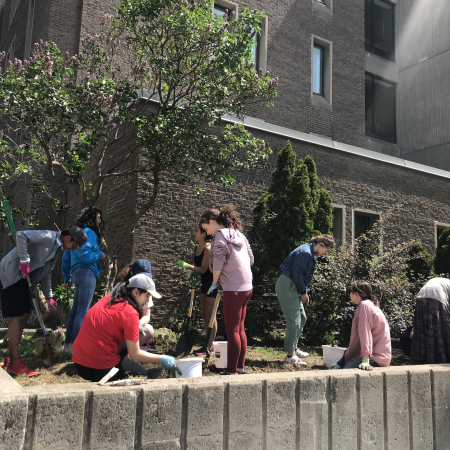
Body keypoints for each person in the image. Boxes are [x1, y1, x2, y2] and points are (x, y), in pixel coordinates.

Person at [0, 226, 87, 377]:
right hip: (12, 274)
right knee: (18, 316)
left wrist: (49, 296)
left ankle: (12, 359)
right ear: (68, 238)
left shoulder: (57, 249)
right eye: (74, 245)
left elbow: (46, 272)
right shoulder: (49, 237)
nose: (73, 249)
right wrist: (24, 261)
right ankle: (14, 363)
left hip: (22, 279)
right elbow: (21, 235)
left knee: (25, 315)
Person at [72, 274, 178, 381]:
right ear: (135, 292)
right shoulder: (130, 312)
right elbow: (135, 354)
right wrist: (162, 359)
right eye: (147, 296)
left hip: (79, 362)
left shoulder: (108, 299)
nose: (148, 301)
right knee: (143, 374)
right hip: (97, 367)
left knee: (129, 347)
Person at [200, 204, 253, 376]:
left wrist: (215, 282)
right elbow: (251, 259)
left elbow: (219, 263)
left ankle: (231, 372)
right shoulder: (240, 235)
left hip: (233, 289)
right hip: (247, 287)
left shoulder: (219, 237)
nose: (207, 233)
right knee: (240, 329)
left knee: (232, 330)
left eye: (206, 228)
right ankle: (240, 368)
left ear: (212, 222)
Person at [276, 235, 335, 365]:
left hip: (294, 286)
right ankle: (290, 356)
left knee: (302, 318)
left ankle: (294, 348)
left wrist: (304, 292)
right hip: (288, 285)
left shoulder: (310, 252)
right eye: (327, 250)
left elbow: (301, 275)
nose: (326, 254)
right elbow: (297, 274)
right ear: (320, 245)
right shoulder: (305, 253)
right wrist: (303, 292)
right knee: (295, 322)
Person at [62, 207, 107, 355]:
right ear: (91, 219)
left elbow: (66, 257)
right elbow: (87, 256)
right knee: (82, 310)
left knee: (75, 310)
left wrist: (67, 276)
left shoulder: (75, 234)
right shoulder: (90, 233)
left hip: (76, 273)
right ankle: (79, 347)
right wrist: (100, 254)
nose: (100, 220)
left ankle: (69, 345)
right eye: (98, 217)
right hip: (87, 273)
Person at [332, 280, 391, 370]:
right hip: (380, 356)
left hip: (375, 358)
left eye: (350, 292)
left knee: (345, 373)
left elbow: (365, 333)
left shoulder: (364, 306)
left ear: (356, 294)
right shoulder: (370, 304)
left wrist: (365, 360)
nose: (349, 295)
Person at [178, 226, 218, 355]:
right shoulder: (196, 248)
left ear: (204, 234)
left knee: (210, 315)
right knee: (204, 314)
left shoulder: (208, 249)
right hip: (203, 283)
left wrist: (187, 266)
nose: (194, 233)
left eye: (197, 231)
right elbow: (198, 269)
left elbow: (203, 269)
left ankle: (210, 346)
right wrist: (190, 272)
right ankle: (207, 343)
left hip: (212, 283)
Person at [113, 259, 154, 348]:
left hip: (134, 324)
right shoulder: (121, 288)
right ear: (132, 273)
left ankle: (128, 350)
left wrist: (136, 325)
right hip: (119, 324)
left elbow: (146, 315)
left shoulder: (146, 291)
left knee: (149, 330)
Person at [411, 277, 450, 365]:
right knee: (443, 331)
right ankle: (441, 360)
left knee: (423, 331)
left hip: (420, 297)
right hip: (437, 297)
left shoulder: (444, 282)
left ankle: (423, 360)